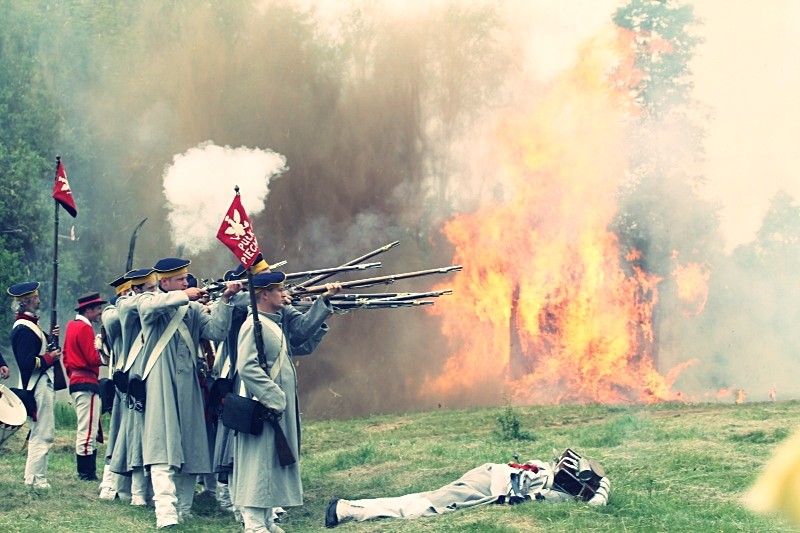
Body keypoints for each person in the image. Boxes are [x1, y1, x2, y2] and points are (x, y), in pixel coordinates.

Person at [231, 271, 341, 533]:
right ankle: (254, 524)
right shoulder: (253, 325)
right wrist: (274, 398)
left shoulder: (273, 322)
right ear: (264, 294)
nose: (284, 293)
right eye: (278, 290)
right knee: (258, 463)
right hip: (264, 408)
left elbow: (300, 339)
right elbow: (247, 367)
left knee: (270, 462)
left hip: (275, 408)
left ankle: (267, 520)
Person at [137, 257, 242, 529]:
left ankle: (182, 509)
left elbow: (217, 331)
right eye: (181, 279)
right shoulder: (149, 301)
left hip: (189, 388)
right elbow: (150, 309)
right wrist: (183, 296)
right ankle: (165, 511)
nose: (186, 283)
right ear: (165, 282)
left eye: (186, 280)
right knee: (162, 447)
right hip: (161, 382)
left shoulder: (193, 309)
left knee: (188, 446)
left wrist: (227, 300)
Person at [325, 449, 611, 527]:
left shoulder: (545, 467)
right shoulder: (553, 491)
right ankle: (347, 510)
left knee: (422, 499)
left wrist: (601, 484)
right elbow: (596, 503)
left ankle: (352, 507)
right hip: (485, 486)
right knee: (421, 507)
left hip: (486, 474)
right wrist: (601, 490)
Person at [111, 267, 159, 507]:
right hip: (136, 378)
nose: (155, 292)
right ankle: (137, 493)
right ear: (136, 290)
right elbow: (122, 311)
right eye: (150, 288)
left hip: (155, 377)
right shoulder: (125, 307)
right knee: (137, 437)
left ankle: (150, 492)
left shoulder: (158, 303)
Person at [7, 281, 61, 489]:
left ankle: (37, 476)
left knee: (44, 431)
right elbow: (27, 363)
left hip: (40, 383)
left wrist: (51, 341)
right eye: (35, 298)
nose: (39, 300)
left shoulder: (30, 325)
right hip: (36, 384)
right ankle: (34, 478)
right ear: (26, 302)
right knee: (43, 432)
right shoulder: (24, 329)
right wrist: (49, 358)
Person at [63, 291, 108, 481]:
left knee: (86, 428)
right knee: (88, 430)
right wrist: (104, 350)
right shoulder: (85, 328)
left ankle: (86, 471)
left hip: (76, 380)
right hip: (86, 381)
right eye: (98, 309)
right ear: (88, 310)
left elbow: (66, 357)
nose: (100, 312)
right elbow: (92, 358)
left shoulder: (72, 326)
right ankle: (86, 473)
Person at [98, 272, 133, 500]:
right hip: (122, 382)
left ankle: (117, 486)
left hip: (129, 382)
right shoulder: (115, 316)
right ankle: (110, 484)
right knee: (118, 434)